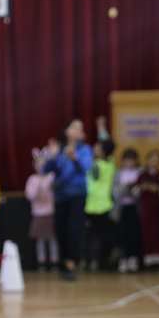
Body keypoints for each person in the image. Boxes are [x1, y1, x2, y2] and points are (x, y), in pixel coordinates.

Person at [42, 118, 92, 281]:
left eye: (80, 127)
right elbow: (46, 170)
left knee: (73, 228)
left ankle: (71, 262)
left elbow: (85, 169)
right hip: (60, 195)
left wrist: (74, 158)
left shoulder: (84, 149)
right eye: (74, 127)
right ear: (66, 131)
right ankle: (63, 262)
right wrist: (52, 157)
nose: (78, 130)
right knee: (60, 229)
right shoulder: (58, 148)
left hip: (77, 194)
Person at [84, 125, 116, 271]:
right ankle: (99, 260)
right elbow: (108, 143)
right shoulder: (111, 162)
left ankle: (94, 260)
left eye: (97, 147)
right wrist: (102, 128)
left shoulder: (94, 164)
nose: (94, 148)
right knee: (102, 235)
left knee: (94, 236)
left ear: (102, 152)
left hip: (93, 205)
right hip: (106, 204)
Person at [26, 149, 58, 272]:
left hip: (51, 213)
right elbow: (30, 195)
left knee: (53, 239)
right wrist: (39, 189)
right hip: (38, 214)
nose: (41, 167)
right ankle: (42, 262)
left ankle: (54, 262)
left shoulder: (52, 177)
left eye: (44, 164)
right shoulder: (33, 179)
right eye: (39, 164)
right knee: (40, 239)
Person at [135, 150, 159, 271]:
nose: (154, 162)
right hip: (146, 209)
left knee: (158, 233)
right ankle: (148, 259)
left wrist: (157, 189)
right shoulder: (142, 176)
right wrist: (143, 187)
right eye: (151, 159)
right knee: (147, 232)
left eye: (156, 160)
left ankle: (158, 259)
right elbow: (135, 192)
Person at [114, 148, 143, 273]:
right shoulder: (118, 172)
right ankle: (123, 258)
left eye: (132, 160)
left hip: (136, 207)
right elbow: (114, 190)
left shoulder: (140, 172)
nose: (129, 163)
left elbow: (142, 188)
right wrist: (125, 189)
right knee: (122, 234)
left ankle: (133, 258)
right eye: (127, 160)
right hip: (122, 207)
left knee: (134, 234)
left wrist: (134, 189)